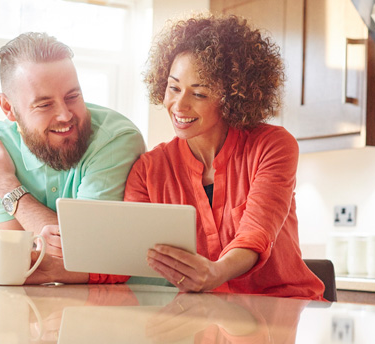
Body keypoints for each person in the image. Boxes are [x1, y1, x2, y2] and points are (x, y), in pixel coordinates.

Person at [124, 14, 325, 300]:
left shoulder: (272, 146)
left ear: (233, 97)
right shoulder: (148, 170)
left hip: (282, 309)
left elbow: (255, 234)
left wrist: (216, 273)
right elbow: (127, 254)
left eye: (200, 94)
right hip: (206, 316)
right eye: (174, 87)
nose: (179, 105)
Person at [0, 32, 146, 284]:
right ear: (8, 108)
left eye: (73, 97)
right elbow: (22, 259)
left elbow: (83, 251)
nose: (65, 115)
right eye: (44, 105)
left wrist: (6, 186)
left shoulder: (115, 139)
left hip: (132, 302)